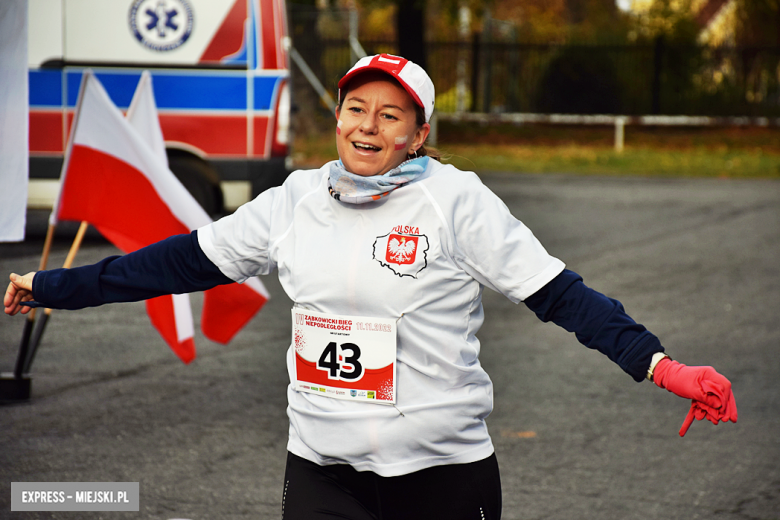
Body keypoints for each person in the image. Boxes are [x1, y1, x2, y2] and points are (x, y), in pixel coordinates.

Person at [4, 54, 737, 520]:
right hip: (325, 472)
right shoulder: (292, 200)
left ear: (417, 134)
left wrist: (661, 365)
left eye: (390, 115)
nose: (367, 125)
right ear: (338, 117)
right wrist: (53, 287)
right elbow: (174, 264)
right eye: (357, 108)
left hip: (442, 476)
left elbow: (559, 294)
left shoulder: (456, 202)